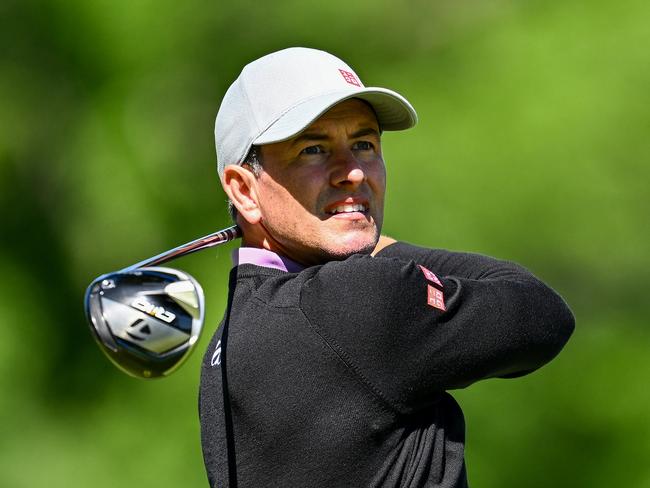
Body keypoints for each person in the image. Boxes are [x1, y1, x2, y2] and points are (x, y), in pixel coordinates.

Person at [199, 47, 574, 488]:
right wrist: (384, 249)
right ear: (244, 190)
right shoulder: (355, 301)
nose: (353, 172)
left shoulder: (224, 345)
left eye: (363, 144)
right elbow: (541, 313)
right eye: (313, 149)